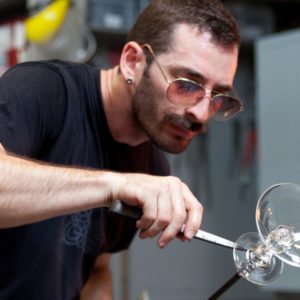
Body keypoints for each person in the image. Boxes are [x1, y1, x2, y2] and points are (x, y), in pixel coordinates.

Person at [0, 0, 242, 299]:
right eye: (187, 83)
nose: (202, 114)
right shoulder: (44, 89)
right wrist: (117, 185)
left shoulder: (152, 167)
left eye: (217, 95)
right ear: (132, 62)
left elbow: (97, 268)